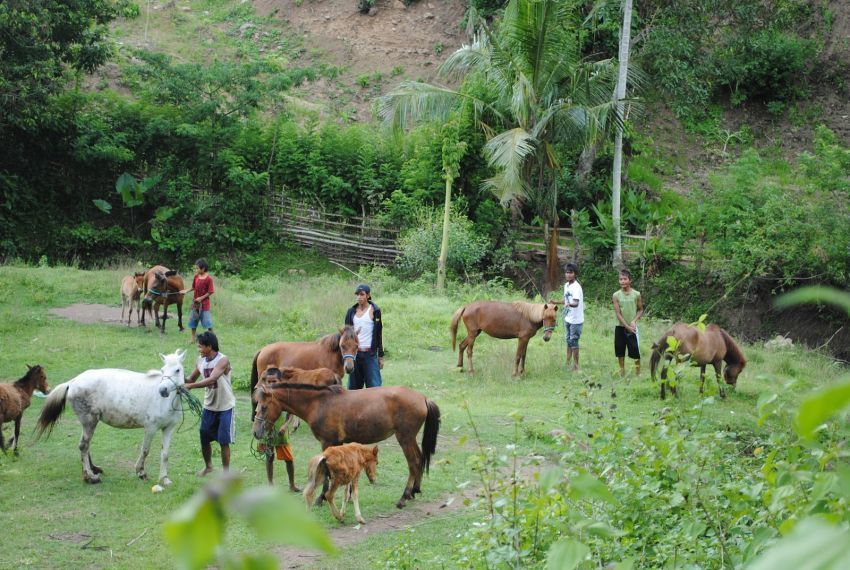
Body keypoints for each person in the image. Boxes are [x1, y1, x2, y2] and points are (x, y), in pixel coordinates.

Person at [185, 331, 235, 476]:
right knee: (204, 436)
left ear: (210, 346)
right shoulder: (200, 361)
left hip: (225, 406)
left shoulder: (222, 360)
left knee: (223, 440)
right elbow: (191, 379)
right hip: (209, 405)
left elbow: (212, 379)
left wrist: (191, 387)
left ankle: (226, 474)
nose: (198, 350)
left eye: (200, 347)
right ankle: (208, 466)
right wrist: (176, 375)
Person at [257, 368, 301, 491]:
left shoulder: (285, 395)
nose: (271, 384)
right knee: (269, 456)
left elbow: (291, 412)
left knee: (289, 459)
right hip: (267, 430)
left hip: (281, 432)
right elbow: (259, 413)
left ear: (280, 380)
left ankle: (292, 485)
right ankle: (270, 484)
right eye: (269, 382)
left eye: (274, 381)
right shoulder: (264, 396)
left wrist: (285, 425)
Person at [344, 283, 384, 389]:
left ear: (368, 295)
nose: (359, 297)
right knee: (353, 389)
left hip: (370, 355)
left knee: (375, 388)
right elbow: (347, 336)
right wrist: (347, 356)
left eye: (362, 294)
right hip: (355, 354)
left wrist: (380, 355)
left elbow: (379, 333)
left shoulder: (375, 311)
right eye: (357, 294)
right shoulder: (351, 312)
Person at [550, 263, 584, 371]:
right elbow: (566, 300)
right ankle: (568, 363)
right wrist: (556, 302)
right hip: (568, 318)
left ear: (575, 274)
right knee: (568, 341)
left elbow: (576, 303)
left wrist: (569, 304)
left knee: (574, 342)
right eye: (567, 272)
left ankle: (576, 366)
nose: (568, 274)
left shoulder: (576, 287)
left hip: (576, 320)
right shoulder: (566, 286)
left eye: (570, 272)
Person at [612, 268, 645, 377]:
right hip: (620, 327)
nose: (622, 281)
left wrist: (634, 321)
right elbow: (618, 313)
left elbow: (640, 310)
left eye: (625, 279)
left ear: (630, 280)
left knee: (635, 350)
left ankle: (638, 372)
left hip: (633, 327)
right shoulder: (616, 295)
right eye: (620, 279)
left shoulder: (636, 294)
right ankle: (622, 371)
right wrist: (626, 326)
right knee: (620, 350)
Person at [181, 258, 215, 344]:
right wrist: (185, 291)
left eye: (197, 268)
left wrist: (201, 298)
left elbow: (211, 291)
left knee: (208, 324)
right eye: (196, 268)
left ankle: (212, 340)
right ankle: (192, 339)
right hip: (195, 304)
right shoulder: (196, 277)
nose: (196, 270)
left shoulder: (209, 279)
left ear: (203, 268)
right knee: (193, 322)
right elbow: (193, 287)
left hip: (204, 305)